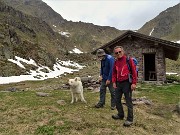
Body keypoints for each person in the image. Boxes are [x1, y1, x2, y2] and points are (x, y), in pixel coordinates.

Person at [111, 46, 137, 127]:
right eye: (116, 53)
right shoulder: (115, 62)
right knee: (117, 99)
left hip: (127, 83)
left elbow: (134, 72)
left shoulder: (129, 60)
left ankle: (130, 119)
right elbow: (114, 73)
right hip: (118, 84)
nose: (118, 53)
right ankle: (120, 114)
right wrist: (114, 81)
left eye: (119, 52)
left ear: (123, 51)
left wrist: (134, 83)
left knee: (128, 101)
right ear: (114, 54)